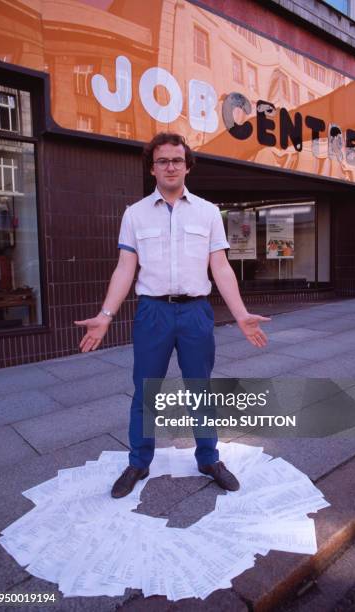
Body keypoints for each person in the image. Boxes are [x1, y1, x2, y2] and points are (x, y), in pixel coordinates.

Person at [74, 132, 270, 498]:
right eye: (162, 160)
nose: (169, 166)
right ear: (153, 168)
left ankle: (209, 458)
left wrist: (240, 313)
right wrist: (105, 314)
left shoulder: (209, 212)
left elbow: (221, 267)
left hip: (196, 312)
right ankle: (138, 462)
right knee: (145, 391)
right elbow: (124, 268)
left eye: (176, 160)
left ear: (187, 166)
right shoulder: (134, 214)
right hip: (152, 313)